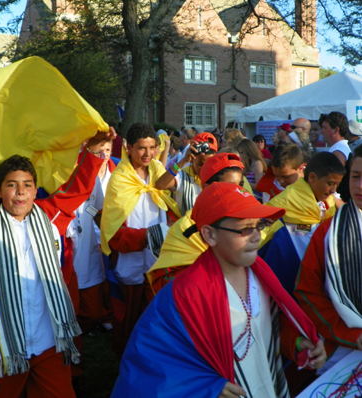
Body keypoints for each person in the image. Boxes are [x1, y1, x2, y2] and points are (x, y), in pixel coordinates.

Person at [0, 129, 114, 397]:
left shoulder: (50, 216)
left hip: (48, 341)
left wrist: (94, 150)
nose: (20, 192)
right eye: (12, 185)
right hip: (3, 345)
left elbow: (79, 188)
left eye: (27, 185)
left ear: (36, 190)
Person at [112, 182, 326, 398]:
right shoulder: (185, 294)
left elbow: (266, 324)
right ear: (210, 235)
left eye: (258, 226)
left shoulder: (262, 276)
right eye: (244, 229)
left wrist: (296, 341)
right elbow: (152, 364)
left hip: (266, 384)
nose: (256, 236)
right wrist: (206, 386)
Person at [100, 122, 180, 355]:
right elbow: (113, 231)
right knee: (129, 314)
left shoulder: (157, 170)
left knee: (156, 309)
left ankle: (153, 354)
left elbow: (170, 200)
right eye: (142, 148)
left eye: (152, 147)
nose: (148, 154)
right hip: (132, 258)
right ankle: (127, 357)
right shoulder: (119, 179)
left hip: (157, 255)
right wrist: (149, 236)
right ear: (128, 148)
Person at [295, 144, 362, 373]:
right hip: (344, 355)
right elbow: (307, 291)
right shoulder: (328, 232)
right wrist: (352, 334)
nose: (360, 185)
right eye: (356, 176)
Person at [148, 152, 245, 294]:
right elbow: (168, 280)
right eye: (230, 186)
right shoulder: (185, 228)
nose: (238, 191)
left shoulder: (248, 220)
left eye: (240, 185)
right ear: (206, 188)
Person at [263, 152, 344, 295]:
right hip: (287, 269)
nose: (333, 190)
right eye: (330, 184)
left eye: (336, 185)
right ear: (312, 177)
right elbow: (261, 227)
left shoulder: (329, 201)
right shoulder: (287, 199)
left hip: (316, 275)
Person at [68, 139, 114, 335]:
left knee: (95, 306)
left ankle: (94, 320)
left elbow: (96, 207)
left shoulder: (107, 173)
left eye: (107, 150)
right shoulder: (70, 168)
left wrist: (91, 212)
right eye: (98, 150)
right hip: (72, 244)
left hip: (94, 244)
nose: (103, 155)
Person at [155, 132, 218, 215]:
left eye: (209, 163)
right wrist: (183, 161)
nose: (204, 168)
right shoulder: (182, 177)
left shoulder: (218, 177)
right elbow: (160, 185)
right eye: (200, 164)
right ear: (192, 159)